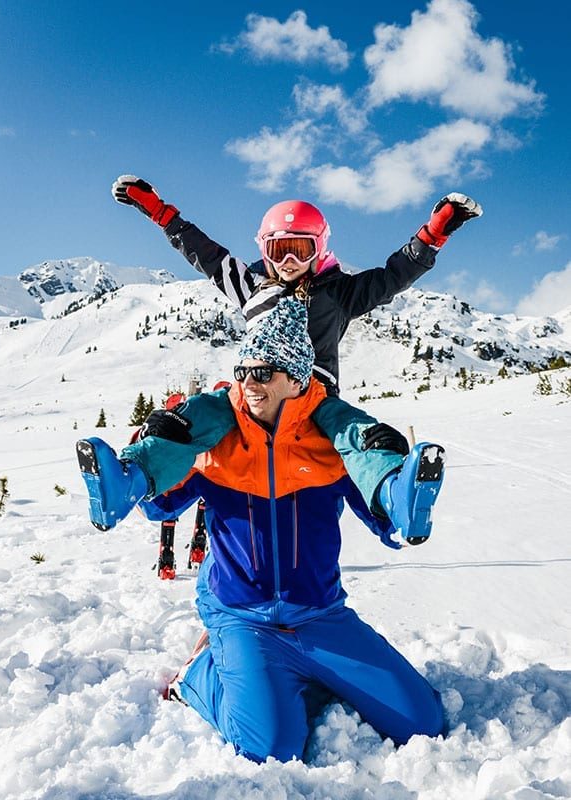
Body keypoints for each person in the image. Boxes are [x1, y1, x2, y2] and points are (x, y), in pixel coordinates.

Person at [77, 298, 445, 763]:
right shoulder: (215, 436)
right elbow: (160, 506)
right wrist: (148, 448)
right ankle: (198, 675)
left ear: (295, 377)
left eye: (264, 372)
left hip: (320, 615)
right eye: (243, 370)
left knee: (423, 724)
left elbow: (383, 524)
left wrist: (394, 494)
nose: (249, 383)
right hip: (242, 616)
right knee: (270, 748)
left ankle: (296, 675)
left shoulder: (330, 440)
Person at [107, 177, 480, 521]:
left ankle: (397, 494)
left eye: (300, 250)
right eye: (279, 250)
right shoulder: (249, 285)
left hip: (315, 397)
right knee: (194, 417)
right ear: (264, 249)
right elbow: (203, 253)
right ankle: (131, 478)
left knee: (357, 434)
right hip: (251, 391)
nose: (289, 263)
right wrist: (160, 213)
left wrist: (431, 236)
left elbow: (392, 277)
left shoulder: (339, 292)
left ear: (319, 249)